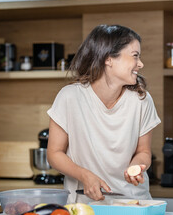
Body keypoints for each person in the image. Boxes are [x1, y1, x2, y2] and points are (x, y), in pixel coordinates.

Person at [47, 24, 161, 203]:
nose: (140, 64)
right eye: (135, 56)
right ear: (109, 59)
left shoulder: (141, 100)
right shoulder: (69, 97)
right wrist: (84, 175)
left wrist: (137, 166)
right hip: (84, 204)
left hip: (132, 201)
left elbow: (144, 151)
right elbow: (54, 153)